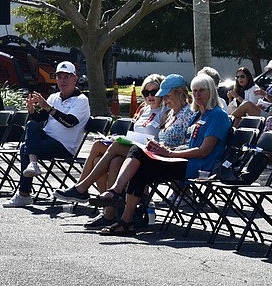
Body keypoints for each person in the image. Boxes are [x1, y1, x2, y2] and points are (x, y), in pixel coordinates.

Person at [93, 74, 232, 235]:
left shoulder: (217, 115)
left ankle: (117, 195)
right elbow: (189, 144)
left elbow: (203, 151)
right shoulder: (198, 115)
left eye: (202, 91)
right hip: (184, 160)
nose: (197, 95)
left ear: (211, 92)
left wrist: (170, 153)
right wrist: (162, 148)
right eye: (194, 91)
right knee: (140, 159)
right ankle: (125, 219)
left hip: (199, 168)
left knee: (138, 155)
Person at [58, 74, 196, 229]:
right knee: (112, 159)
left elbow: (190, 144)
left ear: (179, 92)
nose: (163, 98)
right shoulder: (171, 113)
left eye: (165, 95)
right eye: (147, 93)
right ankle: (109, 213)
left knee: (113, 147)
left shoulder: (186, 114)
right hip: (151, 152)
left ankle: (83, 189)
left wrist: (168, 151)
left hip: (165, 158)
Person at [54, 74, 168, 202]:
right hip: (134, 149)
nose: (150, 96)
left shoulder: (164, 112)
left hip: (148, 153)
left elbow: (163, 139)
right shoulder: (143, 110)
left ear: (162, 93)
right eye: (146, 92)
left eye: (154, 92)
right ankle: (108, 209)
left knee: (102, 146)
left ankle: (81, 188)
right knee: (100, 158)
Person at [2, 61, 90, 208]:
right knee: (30, 127)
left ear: (75, 79)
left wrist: (48, 108)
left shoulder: (81, 100)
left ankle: (24, 193)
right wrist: (31, 110)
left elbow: (69, 122)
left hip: (65, 146)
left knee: (26, 148)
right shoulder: (54, 97)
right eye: (59, 77)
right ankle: (33, 164)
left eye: (67, 77)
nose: (63, 80)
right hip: (47, 139)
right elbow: (38, 120)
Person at [229, 59, 272, 125]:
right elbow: (263, 103)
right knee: (237, 119)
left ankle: (227, 120)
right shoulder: (271, 87)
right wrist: (260, 105)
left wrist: (266, 95)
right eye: (270, 71)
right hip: (265, 113)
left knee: (248, 105)